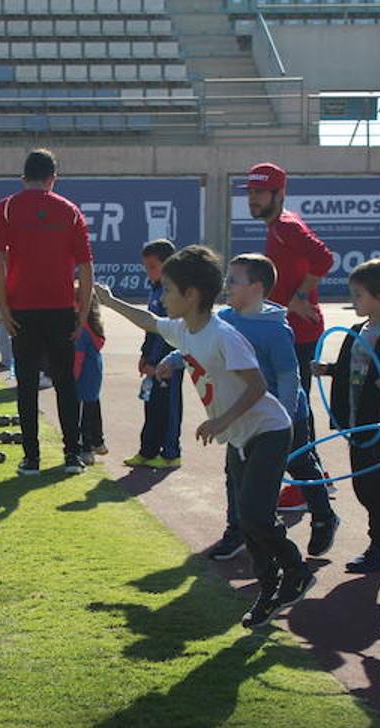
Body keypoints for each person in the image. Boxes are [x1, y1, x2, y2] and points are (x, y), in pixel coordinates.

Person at [95, 245, 316, 629]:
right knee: (248, 520)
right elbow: (148, 321)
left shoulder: (222, 336)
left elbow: (257, 385)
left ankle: (295, 572)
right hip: (239, 436)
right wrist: (111, 301)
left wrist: (220, 421)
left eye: (168, 290)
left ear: (191, 295)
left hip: (269, 430)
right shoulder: (184, 329)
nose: (162, 297)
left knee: (256, 515)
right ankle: (270, 589)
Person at [162, 254, 337, 561]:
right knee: (235, 473)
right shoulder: (225, 319)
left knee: (301, 464)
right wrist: (174, 359)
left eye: (233, 281)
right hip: (243, 417)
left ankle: (323, 516)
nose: (226, 287)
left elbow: (288, 376)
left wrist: (286, 417)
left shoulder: (275, 330)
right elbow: (198, 344)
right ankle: (237, 529)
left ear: (257, 288)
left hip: (281, 419)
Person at [0, 148, 94, 476]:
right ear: (53, 179)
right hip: (61, 308)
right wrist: (82, 315)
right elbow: (86, 268)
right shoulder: (71, 211)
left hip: (22, 310)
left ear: (23, 178)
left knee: (27, 384)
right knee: (65, 383)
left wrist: (3, 309)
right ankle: (72, 456)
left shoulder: (6, 208)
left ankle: (31, 459)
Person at [317, 258, 380, 573]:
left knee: (375, 486)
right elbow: (351, 370)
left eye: (359, 295)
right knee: (364, 485)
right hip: (357, 421)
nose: (354, 300)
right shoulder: (356, 330)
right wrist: (329, 370)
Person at [246, 162, 334, 513]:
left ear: (279, 194)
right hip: (290, 331)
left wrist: (300, 296)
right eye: (251, 193)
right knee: (296, 406)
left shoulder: (285, 226)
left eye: (260, 193)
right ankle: (310, 475)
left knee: (292, 407)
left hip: (297, 333)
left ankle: (304, 485)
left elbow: (324, 258)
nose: (253, 199)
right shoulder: (279, 225)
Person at [124, 239, 183, 470]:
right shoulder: (155, 289)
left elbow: (170, 333)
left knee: (168, 408)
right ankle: (147, 451)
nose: (148, 272)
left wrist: (157, 362)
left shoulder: (175, 292)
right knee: (152, 405)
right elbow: (151, 328)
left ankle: (171, 454)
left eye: (152, 267)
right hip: (154, 360)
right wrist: (144, 355)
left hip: (170, 361)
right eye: (146, 267)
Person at [72, 290, 106, 466]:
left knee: (82, 414)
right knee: (92, 407)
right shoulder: (93, 324)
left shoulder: (81, 330)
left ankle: (85, 450)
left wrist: (72, 379)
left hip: (83, 375)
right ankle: (97, 442)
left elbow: (78, 359)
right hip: (94, 373)